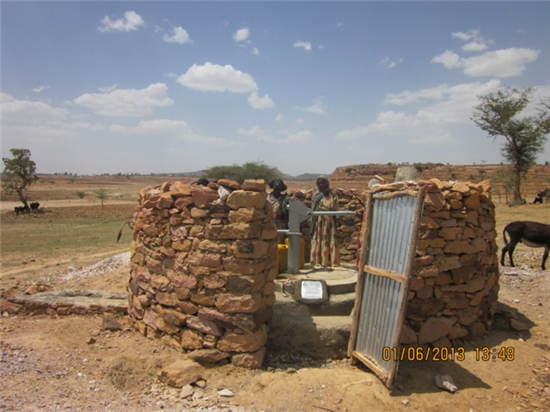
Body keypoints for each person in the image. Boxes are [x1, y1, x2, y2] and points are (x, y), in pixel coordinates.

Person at [310, 176, 339, 268]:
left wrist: (335, 221)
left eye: (323, 183)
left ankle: (328, 261)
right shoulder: (315, 195)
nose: (321, 185)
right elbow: (312, 207)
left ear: (327, 183)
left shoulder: (332, 194)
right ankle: (317, 261)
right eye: (319, 183)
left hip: (329, 221)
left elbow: (336, 208)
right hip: (318, 220)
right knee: (319, 239)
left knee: (329, 239)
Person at [268, 179, 289, 243]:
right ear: (272, 186)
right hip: (267, 223)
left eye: (279, 189)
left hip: (279, 225)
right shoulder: (266, 197)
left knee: (278, 244)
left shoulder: (284, 199)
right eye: (276, 188)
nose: (277, 190)